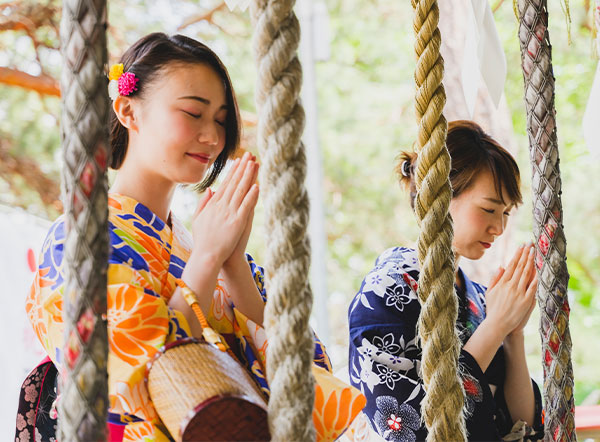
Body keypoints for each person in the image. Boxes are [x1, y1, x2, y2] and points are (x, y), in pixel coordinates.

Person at [19, 33, 364, 441]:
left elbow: (302, 365)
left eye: (220, 119)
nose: (213, 137)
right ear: (128, 110)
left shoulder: (200, 238)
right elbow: (129, 377)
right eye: (193, 113)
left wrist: (233, 267)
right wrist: (205, 259)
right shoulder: (76, 241)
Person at [347, 120, 544, 441]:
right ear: (440, 197)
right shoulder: (385, 291)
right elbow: (404, 423)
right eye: (489, 209)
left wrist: (513, 333)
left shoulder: (479, 296)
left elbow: (521, 424)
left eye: (506, 213)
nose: (499, 227)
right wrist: (494, 327)